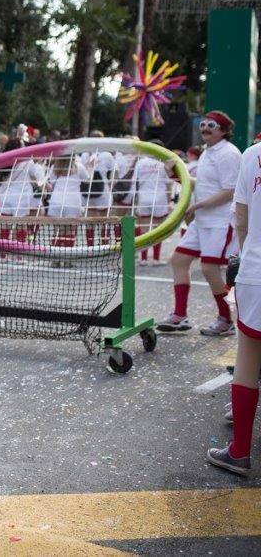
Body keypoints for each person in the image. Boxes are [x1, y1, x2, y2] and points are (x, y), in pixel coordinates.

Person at [157, 112, 241, 336]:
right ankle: (180, 315)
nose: (205, 128)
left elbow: (230, 190)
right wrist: (175, 175)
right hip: (202, 220)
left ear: (223, 130)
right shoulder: (207, 152)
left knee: (209, 268)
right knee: (179, 260)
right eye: (203, 124)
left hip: (220, 221)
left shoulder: (229, 153)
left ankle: (226, 319)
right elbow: (201, 184)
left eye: (211, 125)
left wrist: (197, 206)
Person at [206, 132, 261, 474]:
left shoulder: (252, 154)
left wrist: (245, 252)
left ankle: (240, 450)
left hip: (257, 272)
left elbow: (240, 218)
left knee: (249, 354)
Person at [131, 140, 171, 265]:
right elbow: (168, 185)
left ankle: (143, 259)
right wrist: (169, 202)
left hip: (143, 198)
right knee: (158, 230)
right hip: (159, 198)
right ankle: (156, 259)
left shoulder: (140, 163)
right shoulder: (164, 164)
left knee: (144, 230)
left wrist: (135, 201)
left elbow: (134, 182)